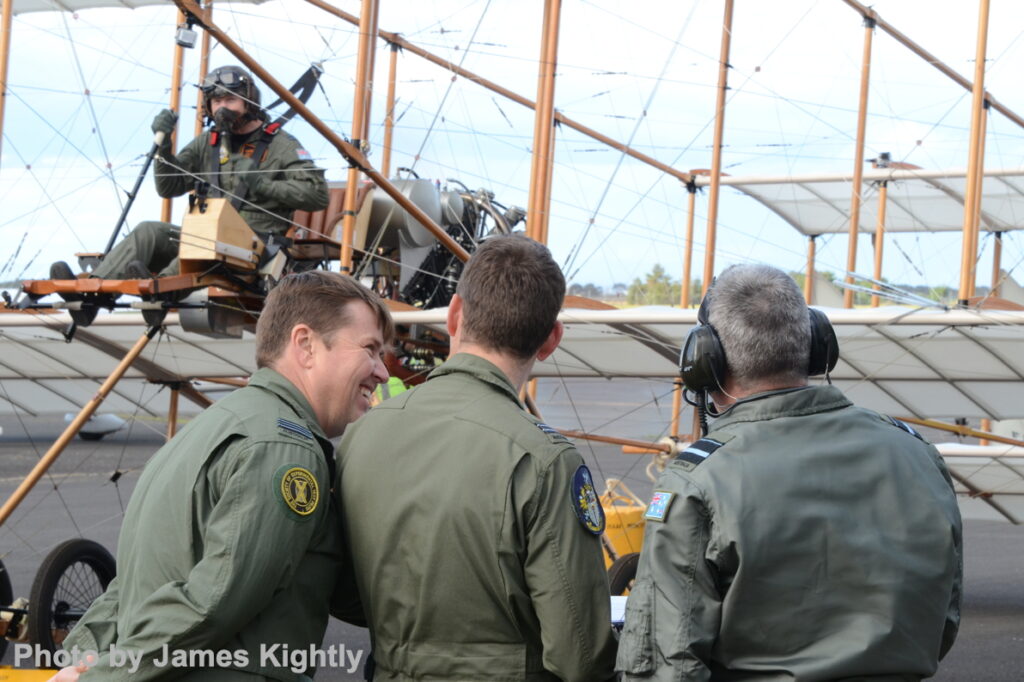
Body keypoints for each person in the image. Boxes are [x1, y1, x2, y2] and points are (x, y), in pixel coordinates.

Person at [617, 264, 963, 681]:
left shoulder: (697, 481)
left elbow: (664, 664)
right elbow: (942, 620)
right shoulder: (917, 454)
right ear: (818, 344)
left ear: (705, 360)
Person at [57, 270, 391, 680]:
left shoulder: (205, 430)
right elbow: (214, 600)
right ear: (305, 344)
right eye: (371, 350)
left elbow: (131, 588)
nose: (383, 372)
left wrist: (83, 660)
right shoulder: (285, 449)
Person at [337, 234, 618, 681]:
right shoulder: (545, 460)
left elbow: (344, 590)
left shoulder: (362, 434)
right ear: (551, 340)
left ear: (453, 315)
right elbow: (579, 654)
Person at [50, 64, 329, 283]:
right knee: (150, 230)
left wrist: (262, 183)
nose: (222, 108)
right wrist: (165, 147)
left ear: (248, 102)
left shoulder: (281, 145)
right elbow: (168, 188)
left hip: (255, 248)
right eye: (215, 101)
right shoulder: (206, 143)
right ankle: (94, 289)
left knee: (203, 241)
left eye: (229, 100)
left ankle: (160, 285)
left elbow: (317, 195)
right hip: (205, 238)